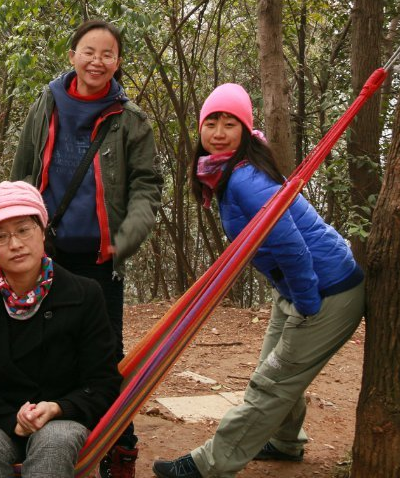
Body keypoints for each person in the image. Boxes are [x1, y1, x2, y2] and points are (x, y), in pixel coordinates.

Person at [152, 83, 365, 478]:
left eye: (229, 124)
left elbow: (290, 245)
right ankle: (285, 441)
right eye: (211, 123)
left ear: (245, 130)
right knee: (274, 367)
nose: (218, 133)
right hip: (299, 286)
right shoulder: (229, 171)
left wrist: (307, 304)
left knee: (272, 381)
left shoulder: (243, 179)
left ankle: (209, 465)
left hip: (324, 289)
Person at [10, 18, 163, 477]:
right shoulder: (46, 104)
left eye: (107, 54)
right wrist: (16, 232)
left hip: (100, 259)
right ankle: (37, 438)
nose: (97, 61)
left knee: (105, 356)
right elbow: (23, 170)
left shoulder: (130, 119)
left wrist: (124, 240)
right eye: (89, 52)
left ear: (118, 63)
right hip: (44, 254)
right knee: (35, 345)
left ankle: (119, 446)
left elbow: (147, 186)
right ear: (72, 55)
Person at [0, 180, 122, 478]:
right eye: (0, 236)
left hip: (60, 419)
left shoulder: (85, 294)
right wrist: (10, 418)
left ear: (42, 231)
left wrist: (57, 408)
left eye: (24, 229)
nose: (15, 244)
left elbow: (103, 382)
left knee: (55, 444)